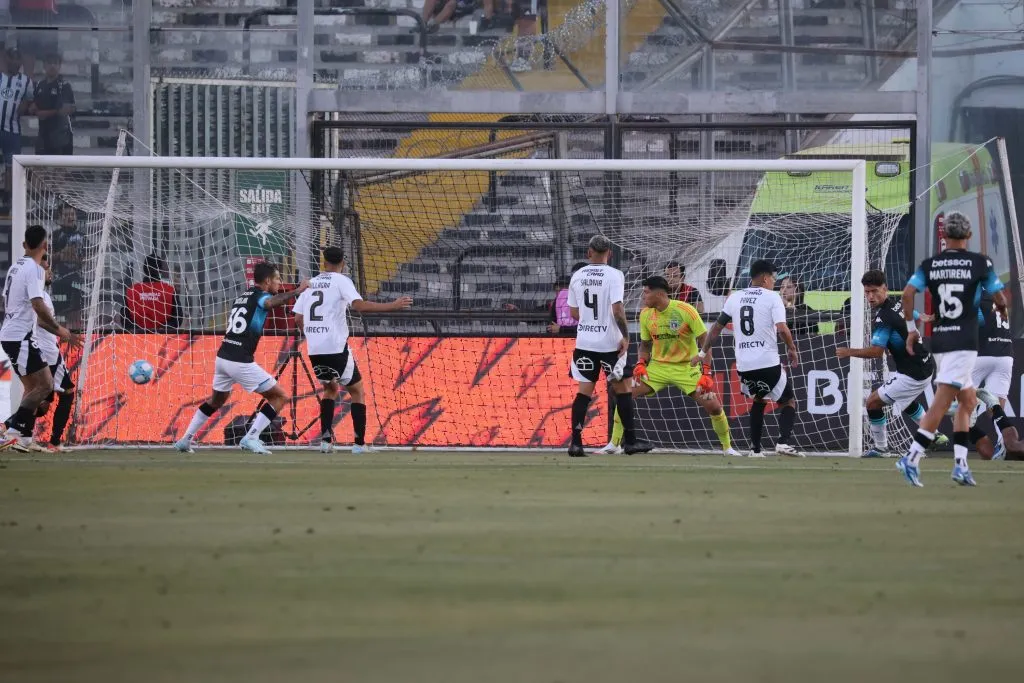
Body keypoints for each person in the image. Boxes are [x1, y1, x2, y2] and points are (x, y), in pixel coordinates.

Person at [897, 212, 1008, 487]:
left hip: (942, 339)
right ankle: (911, 458)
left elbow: (909, 294)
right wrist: (1002, 307)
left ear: (944, 236)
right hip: (963, 342)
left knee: (968, 402)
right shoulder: (980, 263)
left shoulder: (930, 264)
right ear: (969, 235)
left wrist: (912, 328)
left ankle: (960, 465)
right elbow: (999, 297)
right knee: (943, 401)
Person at [173, 262, 309, 455]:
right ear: (268, 280)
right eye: (278, 278)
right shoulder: (262, 296)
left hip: (223, 358)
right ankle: (251, 436)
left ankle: (185, 440)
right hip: (239, 360)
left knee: (216, 401)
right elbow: (269, 303)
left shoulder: (242, 297)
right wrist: (297, 291)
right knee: (279, 397)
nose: (280, 282)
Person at [597, 276, 738, 456]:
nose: (643, 296)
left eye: (646, 292)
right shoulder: (646, 314)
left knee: (714, 407)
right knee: (625, 394)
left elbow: (705, 341)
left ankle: (728, 448)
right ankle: (614, 444)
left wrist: (706, 373)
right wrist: (641, 362)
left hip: (686, 368)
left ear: (660, 293)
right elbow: (646, 344)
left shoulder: (685, 310)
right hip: (658, 368)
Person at [293, 247, 412, 454]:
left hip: (315, 348)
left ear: (324, 262)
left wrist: (312, 336)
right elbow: (359, 306)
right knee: (357, 391)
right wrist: (393, 305)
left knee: (330, 389)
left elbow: (297, 318)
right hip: (335, 346)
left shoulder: (310, 283)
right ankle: (359, 444)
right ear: (343, 263)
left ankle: (325, 441)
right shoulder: (342, 281)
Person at [835, 270, 948, 457]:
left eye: (875, 291)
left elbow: (876, 352)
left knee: (872, 402)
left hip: (914, 372)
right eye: (867, 292)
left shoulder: (884, 317)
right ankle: (934, 435)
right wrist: (928, 318)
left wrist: (849, 352)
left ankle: (881, 448)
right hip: (922, 365)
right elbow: (916, 316)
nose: (870, 296)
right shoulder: (897, 304)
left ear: (885, 289)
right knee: (905, 401)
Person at [696, 259, 802, 457]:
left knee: (759, 400)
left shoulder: (735, 298)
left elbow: (716, 328)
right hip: (767, 361)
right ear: (764, 278)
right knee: (788, 401)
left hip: (744, 365)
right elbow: (782, 328)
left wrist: (702, 352)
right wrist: (792, 348)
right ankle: (783, 442)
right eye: (773, 278)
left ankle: (755, 449)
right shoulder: (772, 297)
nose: (774, 282)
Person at [566, 234, 651, 457]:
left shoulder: (577, 275)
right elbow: (617, 309)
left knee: (584, 393)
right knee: (622, 389)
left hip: (584, 342)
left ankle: (576, 443)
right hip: (609, 345)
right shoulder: (615, 275)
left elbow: (574, 313)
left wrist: (589, 321)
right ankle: (630, 442)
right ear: (610, 254)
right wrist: (626, 336)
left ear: (588, 252)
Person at [0, 224, 81, 451]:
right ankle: (12, 431)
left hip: (13, 333)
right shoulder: (34, 270)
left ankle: (24, 437)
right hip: (21, 336)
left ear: (26, 244)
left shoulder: (15, 267)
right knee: (45, 385)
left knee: (33, 388)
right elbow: (37, 305)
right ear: (44, 245)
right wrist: (61, 329)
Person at [31, 252, 74, 452]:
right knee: (67, 392)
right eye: (48, 270)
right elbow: (41, 321)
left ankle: (17, 432)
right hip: (47, 351)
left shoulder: (37, 294)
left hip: (41, 348)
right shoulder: (40, 296)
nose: (52, 274)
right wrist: (61, 331)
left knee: (42, 400)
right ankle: (54, 442)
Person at [965, 296, 1014, 459]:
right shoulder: (998, 296)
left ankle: (983, 447)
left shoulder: (973, 293)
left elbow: (972, 322)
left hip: (980, 355)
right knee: (994, 409)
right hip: (1005, 356)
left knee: (961, 411)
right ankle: (1002, 449)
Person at [0, 47, 33, 214]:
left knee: (10, 166)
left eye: (16, 58)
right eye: (11, 58)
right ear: (7, 59)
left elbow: (30, 100)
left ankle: (8, 198)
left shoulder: (26, 81)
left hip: (11, 129)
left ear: (20, 62)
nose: (13, 61)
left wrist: (25, 106)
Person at [48, 203, 84, 329]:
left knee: (75, 314)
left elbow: (90, 260)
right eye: (66, 214)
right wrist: (60, 255)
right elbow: (46, 258)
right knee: (59, 315)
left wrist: (77, 259)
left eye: (72, 214)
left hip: (76, 282)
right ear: (60, 217)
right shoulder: (54, 236)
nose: (70, 217)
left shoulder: (83, 236)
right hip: (58, 282)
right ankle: (59, 342)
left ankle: (77, 343)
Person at [31, 52, 74, 156]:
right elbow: (35, 105)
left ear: (60, 66)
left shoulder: (64, 86)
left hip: (60, 135)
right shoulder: (39, 85)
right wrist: (33, 108)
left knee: (59, 169)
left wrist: (45, 113)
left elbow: (68, 109)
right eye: (49, 63)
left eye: (55, 63)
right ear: (44, 66)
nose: (52, 66)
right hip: (43, 135)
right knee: (40, 168)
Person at [124, 254, 180, 331]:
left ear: (144, 269)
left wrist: (138, 331)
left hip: (136, 340)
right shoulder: (169, 290)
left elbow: (125, 319)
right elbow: (178, 319)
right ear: (160, 269)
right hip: (163, 339)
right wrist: (162, 329)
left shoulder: (132, 291)